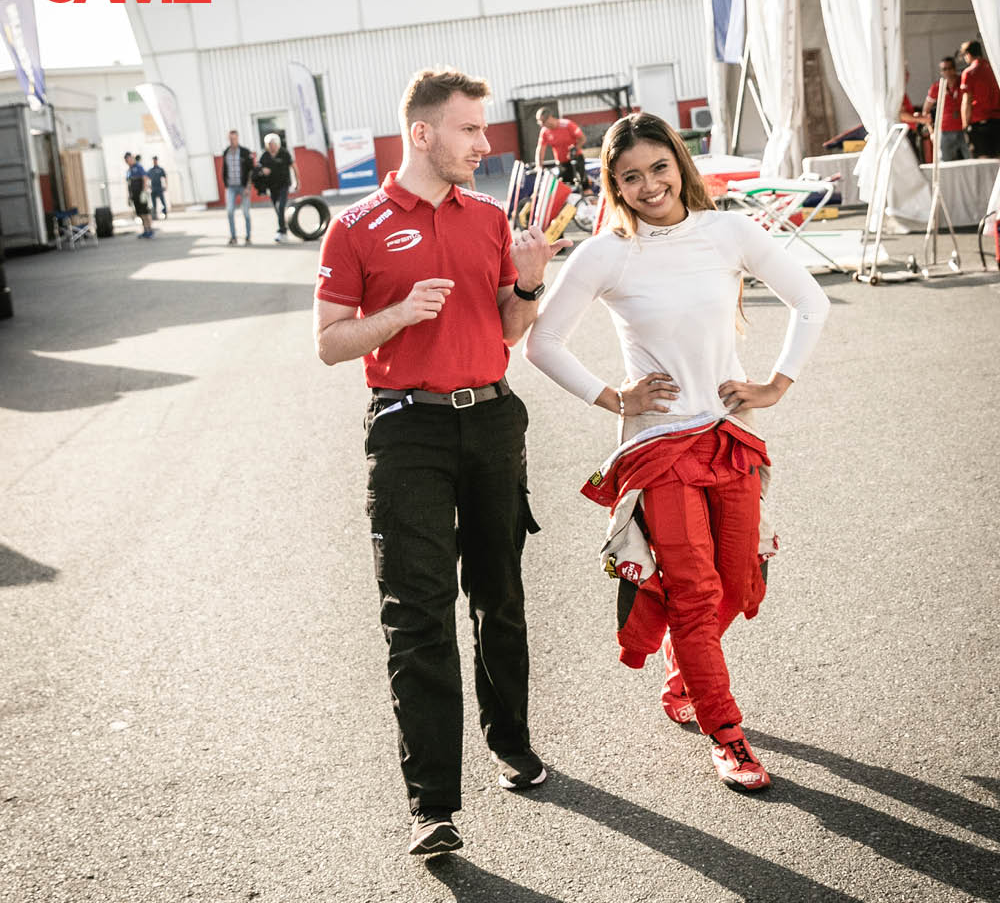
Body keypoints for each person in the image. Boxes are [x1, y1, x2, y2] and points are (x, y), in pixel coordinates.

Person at [525, 113, 829, 793]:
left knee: (737, 581)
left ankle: (684, 673)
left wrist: (776, 384)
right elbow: (542, 342)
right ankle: (728, 736)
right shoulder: (606, 252)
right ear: (615, 184)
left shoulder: (727, 232)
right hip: (658, 445)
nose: (649, 185)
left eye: (659, 167)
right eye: (630, 176)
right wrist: (613, 396)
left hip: (729, 432)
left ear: (679, 165)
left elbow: (810, 302)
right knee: (693, 591)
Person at [313, 68, 568, 856]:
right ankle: (433, 805)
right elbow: (328, 343)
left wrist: (528, 279)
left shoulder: (492, 219)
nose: (484, 144)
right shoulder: (353, 227)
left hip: (491, 419)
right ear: (422, 133)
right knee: (417, 615)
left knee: (500, 595)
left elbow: (512, 330)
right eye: (469, 129)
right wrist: (394, 316)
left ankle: (512, 745)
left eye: (483, 129)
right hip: (406, 432)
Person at [923, 57, 970, 161]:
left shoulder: (963, 82)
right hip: (944, 131)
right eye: (944, 69)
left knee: (971, 159)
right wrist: (932, 132)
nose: (948, 72)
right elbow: (926, 111)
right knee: (944, 163)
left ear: (954, 69)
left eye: (950, 68)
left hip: (964, 129)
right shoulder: (936, 87)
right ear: (941, 72)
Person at [959, 40, 1000, 158]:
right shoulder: (994, 68)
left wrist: (965, 124)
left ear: (968, 54)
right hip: (997, 120)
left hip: (979, 123)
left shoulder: (969, 72)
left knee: (983, 161)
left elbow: (966, 101)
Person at [535, 107, 592, 191]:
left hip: (575, 160)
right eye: (539, 122)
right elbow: (540, 149)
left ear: (550, 118)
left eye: (543, 121)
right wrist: (539, 165)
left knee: (584, 186)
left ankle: (591, 202)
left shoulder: (567, 125)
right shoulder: (544, 131)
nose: (541, 124)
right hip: (562, 164)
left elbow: (582, 138)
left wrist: (574, 149)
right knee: (565, 188)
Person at [258, 133, 298, 242]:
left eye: (273, 144)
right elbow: (257, 170)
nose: (271, 146)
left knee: (281, 207)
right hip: (271, 187)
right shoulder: (264, 156)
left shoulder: (284, 153)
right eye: (269, 144)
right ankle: (284, 228)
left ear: (277, 144)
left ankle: (281, 231)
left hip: (284, 185)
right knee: (277, 209)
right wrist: (262, 171)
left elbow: (294, 167)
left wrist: (297, 182)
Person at [222, 130, 254, 245]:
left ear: (238, 138)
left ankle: (248, 236)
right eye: (230, 139)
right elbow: (224, 170)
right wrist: (225, 184)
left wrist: (248, 186)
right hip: (231, 187)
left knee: (245, 212)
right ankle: (233, 237)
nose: (232, 141)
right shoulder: (226, 152)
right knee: (230, 211)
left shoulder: (245, 152)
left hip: (243, 186)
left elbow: (251, 170)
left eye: (234, 139)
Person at [123, 152, 153, 238]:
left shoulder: (138, 167)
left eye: (128, 159)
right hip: (134, 195)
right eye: (126, 160)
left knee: (145, 212)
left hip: (141, 194)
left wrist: (144, 191)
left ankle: (149, 230)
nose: (127, 162)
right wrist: (129, 196)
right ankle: (145, 230)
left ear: (131, 158)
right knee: (140, 213)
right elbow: (129, 183)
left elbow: (145, 178)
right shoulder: (129, 170)